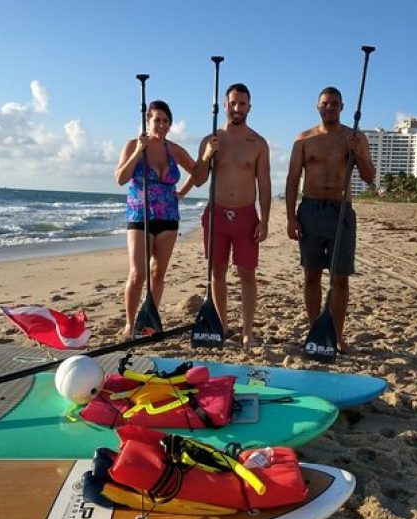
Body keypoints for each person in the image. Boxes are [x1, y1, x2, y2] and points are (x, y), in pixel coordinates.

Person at [285, 86, 375, 353]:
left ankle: (336, 334)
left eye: (334, 104)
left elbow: (369, 177)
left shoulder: (354, 137)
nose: (329, 108)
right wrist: (291, 218)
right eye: (324, 104)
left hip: (341, 210)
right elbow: (291, 181)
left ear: (342, 107)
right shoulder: (303, 139)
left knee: (340, 277)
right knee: (311, 275)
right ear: (317, 106)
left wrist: (358, 151)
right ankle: (316, 330)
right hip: (310, 209)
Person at [192, 83, 271, 351]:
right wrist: (206, 156)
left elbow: (265, 184)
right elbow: (199, 180)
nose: (237, 108)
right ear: (224, 105)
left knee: (247, 274)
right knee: (217, 271)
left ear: (250, 106)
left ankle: (247, 331)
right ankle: (223, 325)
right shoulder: (211, 140)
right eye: (233, 103)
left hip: (246, 215)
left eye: (243, 104)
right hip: (216, 215)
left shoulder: (258, 143)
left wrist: (266, 219)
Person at [115, 100, 196, 337]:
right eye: (157, 119)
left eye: (166, 120)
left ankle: (150, 318)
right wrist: (138, 152)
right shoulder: (133, 144)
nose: (161, 125)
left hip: (169, 217)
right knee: (138, 273)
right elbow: (120, 178)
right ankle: (130, 323)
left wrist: (182, 192)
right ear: (147, 120)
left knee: (157, 273)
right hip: (140, 215)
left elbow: (199, 172)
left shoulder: (175, 149)